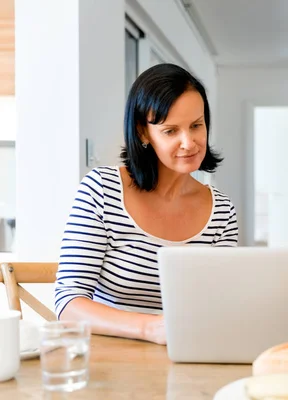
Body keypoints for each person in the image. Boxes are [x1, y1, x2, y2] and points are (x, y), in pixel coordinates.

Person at [54, 64, 238, 345]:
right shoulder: (102, 190)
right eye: (170, 130)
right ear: (143, 133)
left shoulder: (222, 212)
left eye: (196, 126)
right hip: (109, 363)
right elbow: (69, 303)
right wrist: (151, 329)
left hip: (186, 359)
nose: (188, 143)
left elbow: (219, 305)